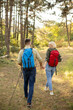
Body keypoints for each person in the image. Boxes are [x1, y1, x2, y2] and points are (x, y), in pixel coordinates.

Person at [18, 39, 43, 108]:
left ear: (25, 43)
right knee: (31, 84)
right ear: (30, 43)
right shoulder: (34, 50)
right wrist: (41, 65)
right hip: (32, 69)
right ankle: (29, 102)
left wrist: (22, 66)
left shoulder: (21, 51)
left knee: (25, 82)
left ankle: (26, 95)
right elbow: (40, 59)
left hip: (25, 69)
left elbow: (18, 61)